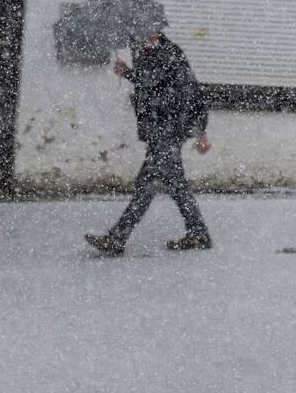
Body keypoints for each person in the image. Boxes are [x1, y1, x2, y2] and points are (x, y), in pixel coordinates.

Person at [85, 30, 213, 256]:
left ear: (157, 33)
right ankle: (198, 233)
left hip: (170, 131)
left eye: (147, 38)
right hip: (159, 132)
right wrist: (129, 74)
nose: (142, 43)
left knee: (148, 184)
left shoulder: (170, 54)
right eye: (140, 39)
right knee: (176, 186)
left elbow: (189, 93)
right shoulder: (149, 55)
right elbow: (152, 84)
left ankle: (117, 238)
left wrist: (200, 131)